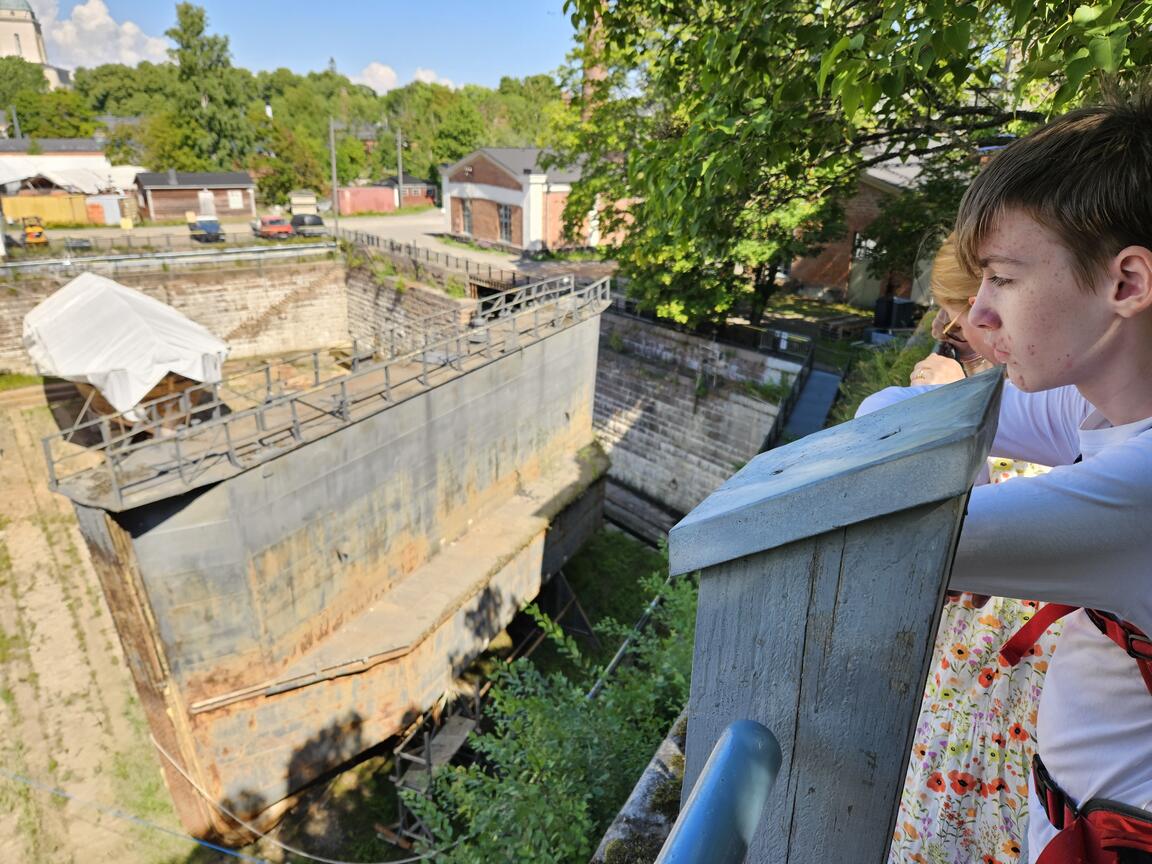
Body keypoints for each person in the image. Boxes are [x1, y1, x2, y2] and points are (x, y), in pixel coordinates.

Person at [867, 98, 1152, 863]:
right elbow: (904, 405)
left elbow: (872, 532)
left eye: (1002, 279)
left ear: (1127, 283)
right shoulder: (1107, 412)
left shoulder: (1143, 489)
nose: (977, 319)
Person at [869, 239, 1084, 864]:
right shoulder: (1038, 398)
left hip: (1005, 688)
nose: (958, 327)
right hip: (980, 684)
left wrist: (944, 414)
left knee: (959, 830)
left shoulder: (1058, 403)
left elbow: (967, 551)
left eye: (956, 310)